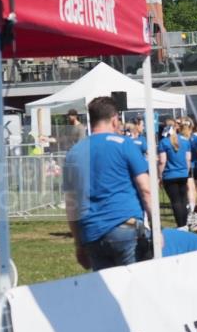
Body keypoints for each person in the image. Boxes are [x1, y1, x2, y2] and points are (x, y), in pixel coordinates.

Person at [63, 96, 157, 270]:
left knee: (107, 291)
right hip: (125, 227)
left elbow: (71, 204)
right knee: (135, 287)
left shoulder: (74, 153)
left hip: (92, 233)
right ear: (114, 120)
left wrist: (78, 243)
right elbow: (146, 190)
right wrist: (156, 228)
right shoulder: (125, 145)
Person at [158, 119, 192, 228]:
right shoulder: (185, 141)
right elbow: (188, 159)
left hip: (169, 175)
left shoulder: (163, 142)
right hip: (183, 174)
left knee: (176, 202)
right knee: (183, 200)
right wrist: (186, 172)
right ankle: (185, 224)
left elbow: (162, 161)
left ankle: (181, 225)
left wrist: (159, 175)